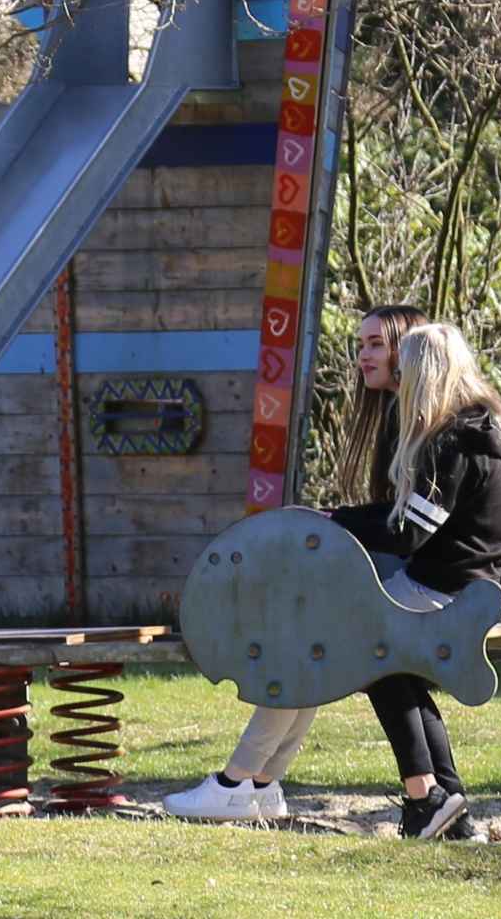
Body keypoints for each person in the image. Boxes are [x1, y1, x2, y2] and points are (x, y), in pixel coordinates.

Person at [163, 305, 428, 824]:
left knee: (306, 636)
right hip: (416, 569)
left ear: (408, 349)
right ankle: (260, 782)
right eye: (361, 344)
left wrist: (338, 523)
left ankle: (238, 781)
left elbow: (410, 525)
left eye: (376, 343)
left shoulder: (421, 423)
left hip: (433, 577)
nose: (363, 355)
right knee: (308, 639)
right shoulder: (399, 417)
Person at [331, 322, 501, 839]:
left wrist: (334, 520)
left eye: (405, 369)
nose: (398, 379)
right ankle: (448, 807)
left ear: (425, 373)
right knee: (398, 668)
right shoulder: (490, 430)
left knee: (370, 649)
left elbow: (407, 535)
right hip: (474, 584)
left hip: (445, 585)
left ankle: (425, 795)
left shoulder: (451, 442)